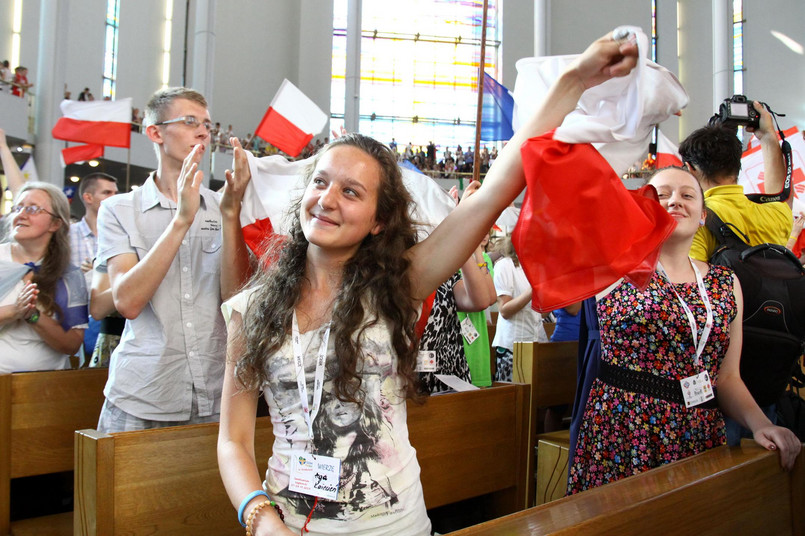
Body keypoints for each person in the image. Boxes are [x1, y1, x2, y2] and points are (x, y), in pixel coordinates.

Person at [217, 30, 643, 536]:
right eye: (320, 181)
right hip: (288, 525)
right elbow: (234, 440)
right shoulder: (253, 305)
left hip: (396, 525)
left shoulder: (399, 284)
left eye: (351, 191)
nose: (327, 199)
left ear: (379, 220)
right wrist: (262, 520)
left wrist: (574, 80)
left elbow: (496, 190)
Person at [567, 167, 801, 495]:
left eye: (687, 195)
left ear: (703, 216)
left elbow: (727, 377)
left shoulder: (725, 282)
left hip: (698, 426)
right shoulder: (613, 269)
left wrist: (762, 425)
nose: (675, 200)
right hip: (624, 427)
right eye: (661, 195)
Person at [94, 86, 239, 432]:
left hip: (216, 391)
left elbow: (235, 298)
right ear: (156, 132)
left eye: (207, 124)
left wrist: (233, 218)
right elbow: (127, 301)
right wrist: (181, 220)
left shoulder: (223, 207)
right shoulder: (119, 209)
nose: (203, 131)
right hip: (145, 391)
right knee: (124, 487)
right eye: (190, 121)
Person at [679, 110, 791, 445]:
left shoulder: (699, 222)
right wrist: (769, 136)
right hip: (770, 363)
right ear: (738, 167)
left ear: (691, 171)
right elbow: (777, 192)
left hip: (721, 378)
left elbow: (690, 297)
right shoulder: (775, 214)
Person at [0, 182, 88, 373]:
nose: (21, 215)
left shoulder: (69, 275)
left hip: (44, 390)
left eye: (32, 209)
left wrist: (33, 316)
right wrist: (14, 311)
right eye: (18, 208)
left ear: (55, 223)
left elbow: (72, 345)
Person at [70, 172, 119, 361]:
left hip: (110, 325)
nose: (113, 198)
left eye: (116, 192)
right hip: (75, 322)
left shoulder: (123, 235)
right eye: (106, 193)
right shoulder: (66, 236)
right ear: (88, 197)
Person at [491, 235, 548, 382]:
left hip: (537, 341)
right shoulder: (505, 265)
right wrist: (532, 290)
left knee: (538, 398)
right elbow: (504, 311)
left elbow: (541, 313)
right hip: (513, 346)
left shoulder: (539, 266)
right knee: (516, 400)